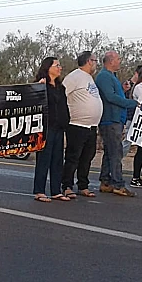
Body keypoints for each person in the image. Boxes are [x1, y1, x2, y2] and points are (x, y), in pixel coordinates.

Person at [60, 51, 103, 198]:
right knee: (73, 157)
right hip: (76, 125)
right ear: (89, 61)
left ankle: (83, 185)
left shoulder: (89, 78)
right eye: (95, 61)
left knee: (87, 157)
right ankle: (67, 185)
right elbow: (62, 95)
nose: (96, 64)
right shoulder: (74, 77)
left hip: (91, 127)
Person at [96, 51, 137, 197]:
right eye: (118, 59)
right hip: (110, 120)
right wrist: (131, 103)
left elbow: (114, 94)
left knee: (110, 152)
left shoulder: (111, 76)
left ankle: (105, 181)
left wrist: (123, 90)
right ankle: (118, 184)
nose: (120, 61)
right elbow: (110, 97)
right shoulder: (104, 76)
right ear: (111, 61)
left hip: (115, 119)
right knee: (115, 153)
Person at [32, 57, 70, 202]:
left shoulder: (60, 87)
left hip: (59, 127)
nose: (60, 68)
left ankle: (56, 190)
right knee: (44, 159)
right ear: (48, 68)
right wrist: (38, 88)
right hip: (46, 127)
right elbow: (34, 102)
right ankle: (39, 190)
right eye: (56, 65)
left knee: (57, 159)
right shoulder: (41, 85)